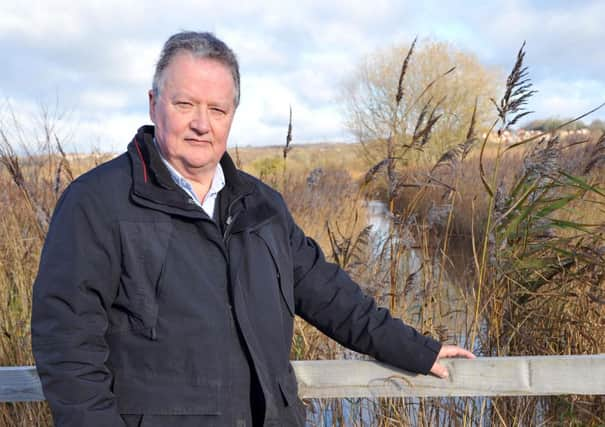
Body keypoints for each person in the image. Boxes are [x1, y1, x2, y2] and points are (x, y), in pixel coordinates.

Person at [31, 31, 474, 427]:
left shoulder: (260, 206)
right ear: (153, 103)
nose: (201, 123)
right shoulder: (98, 203)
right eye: (184, 104)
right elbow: (67, 350)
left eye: (217, 109)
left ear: (232, 115)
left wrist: (418, 350)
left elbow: (330, 295)